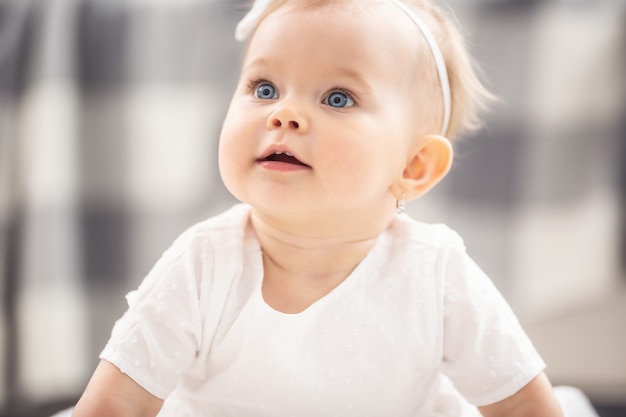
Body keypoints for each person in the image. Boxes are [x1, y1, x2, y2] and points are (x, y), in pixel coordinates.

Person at [72, 0, 564, 415]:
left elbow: (524, 406)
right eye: (264, 89)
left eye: (337, 97)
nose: (283, 114)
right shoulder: (202, 264)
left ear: (413, 166)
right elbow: (114, 406)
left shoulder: (435, 273)